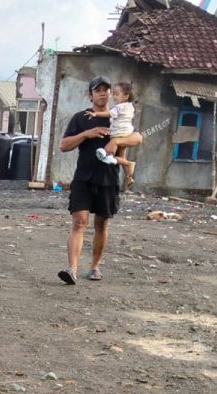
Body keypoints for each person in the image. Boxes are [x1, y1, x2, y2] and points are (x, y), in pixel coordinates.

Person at [57, 76, 120, 284]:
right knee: (79, 222)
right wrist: (87, 133)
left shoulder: (119, 118)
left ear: (111, 93)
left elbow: (137, 138)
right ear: (90, 95)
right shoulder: (80, 118)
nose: (103, 93)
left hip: (108, 178)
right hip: (84, 177)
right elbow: (64, 145)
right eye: (98, 90)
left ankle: (95, 267)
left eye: (106, 90)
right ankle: (72, 269)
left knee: (102, 224)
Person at [89, 82, 143, 190]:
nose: (114, 97)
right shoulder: (130, 106)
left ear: (126, 96)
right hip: (126, 133)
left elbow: (109, 113)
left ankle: (129, 163)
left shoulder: (119, 107)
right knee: (121, 157)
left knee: (108, 155)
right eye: (113, 94)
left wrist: (96, 114)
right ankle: (129, 176)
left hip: (118, 134)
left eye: (117, 94)